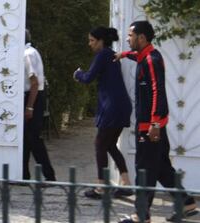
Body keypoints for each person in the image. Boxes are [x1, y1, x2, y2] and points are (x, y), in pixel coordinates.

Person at [115, 21, 197, 223]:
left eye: (130, 35)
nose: (127, 39)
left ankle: (140, 216)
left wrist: (155, 123)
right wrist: (122, 55)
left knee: (144, 170)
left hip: (150, 126)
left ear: (141, 37)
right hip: (153, 125)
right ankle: (187, 203)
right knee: (161, 168)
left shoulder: (151, 59)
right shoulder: (145, 56)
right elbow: (136, 56)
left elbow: (157, 90)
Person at [73, 27, 133, 199]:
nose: (89, 44)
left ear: (100, 41)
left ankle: (101, 187)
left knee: (100, 145)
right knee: (110, 145)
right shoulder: (112, 55)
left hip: (111, 108)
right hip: (121, 107)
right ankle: (126, 184)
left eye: (92, 40)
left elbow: (88, 77)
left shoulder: (102, 55)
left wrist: (78, 73)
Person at [23, 29, 56, 181]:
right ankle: (23, 174)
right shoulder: (30, 51)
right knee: (25, 138)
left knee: (33, 138)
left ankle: (49, 175)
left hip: (32, 97)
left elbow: (34, 82)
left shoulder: (27, 54)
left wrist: (30, 106)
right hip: (32, 96)